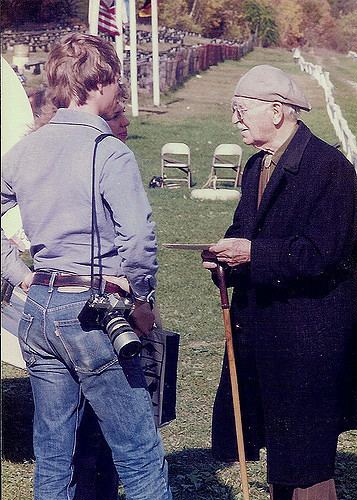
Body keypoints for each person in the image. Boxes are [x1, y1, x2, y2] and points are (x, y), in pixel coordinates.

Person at [1, 33, 171, 500]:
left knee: (53, 457)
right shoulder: (109, 152)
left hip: (38, 313)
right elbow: (138, 240)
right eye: (117, 83)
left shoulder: (24, 151)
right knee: (138, 454)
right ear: (102, 83)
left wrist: (17, 274)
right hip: (96, 316)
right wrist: (141, 301)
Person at [202, 65, 356, 499]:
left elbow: (323, 254)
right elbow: (244, 231)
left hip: (310, 337)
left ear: (277, 111)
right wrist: (226, 262)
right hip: (263, 330)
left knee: (305, 457)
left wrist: (252, 254)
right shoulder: (256, 167)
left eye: (241, 109)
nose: (235, 119)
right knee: (281, 449)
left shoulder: (330, 169)